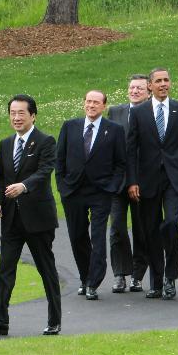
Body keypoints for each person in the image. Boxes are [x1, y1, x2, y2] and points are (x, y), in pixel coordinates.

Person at [0, 95, 62, 336]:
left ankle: (54, 320)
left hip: (38, 218)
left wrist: (24, 186)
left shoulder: (45, 141)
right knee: (5, 269)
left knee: (46, 269)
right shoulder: (5, 143)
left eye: (21, 113)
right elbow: (1, 179)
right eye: (12, 113)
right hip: (12, 219)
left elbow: (45, 171)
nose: (16, 118)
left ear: (33, 115)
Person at [126, 67, 178, 300]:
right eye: (158, 81)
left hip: (174, 178)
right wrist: (133, 180)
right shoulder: (138, 113)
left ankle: (171, 276)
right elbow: (131, 149)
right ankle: (156, 282)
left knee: (171, 224)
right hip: (147, 179)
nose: (163, 84)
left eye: (167, 80)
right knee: (151, 232)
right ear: (150, 85)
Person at [56, 90, 127, 300]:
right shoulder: (70, 126)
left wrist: (112, 186)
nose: (91, 105)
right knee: (78, 236)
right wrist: (62, 186)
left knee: (97, 237)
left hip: (101, 192)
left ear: (104, 106)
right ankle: (85, 277)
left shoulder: (114, 130)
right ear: (83, 104)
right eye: (88, 101)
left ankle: (94, 283)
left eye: (96, 102)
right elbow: (59, 159)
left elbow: (120, 163)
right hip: (73, 191)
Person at [107, 74, 150, 293]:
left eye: (139, 88)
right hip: (117, 182)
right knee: (117, 229)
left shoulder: (153, 113)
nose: (134, 91)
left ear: (148, 91)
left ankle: (138, 274)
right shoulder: (116, 111)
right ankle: (119, 274)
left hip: (142, 181)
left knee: (141, 229)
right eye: (132, 87)